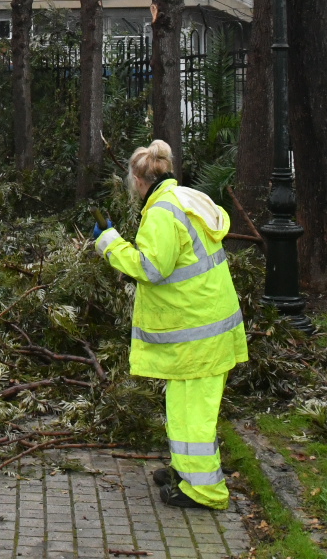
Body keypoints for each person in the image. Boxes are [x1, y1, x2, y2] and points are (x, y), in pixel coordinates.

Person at [89, 139, 247, 511]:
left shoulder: (161, 212)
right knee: (184, 408)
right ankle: (184, 471)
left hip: (197, 333)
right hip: (205, 326)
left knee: (193, 415)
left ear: (139, 180)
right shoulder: (185, 198)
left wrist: (109, 243)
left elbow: (151, 268)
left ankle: (205, 492)